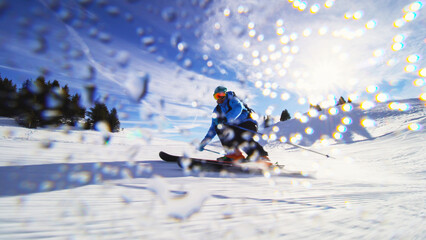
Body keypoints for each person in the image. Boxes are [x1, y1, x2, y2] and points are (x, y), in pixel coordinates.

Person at [198, 86, 269, 162]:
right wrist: (203, 143)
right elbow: (213, 128)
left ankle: (260, 155)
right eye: (217, 96)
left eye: (222, 95)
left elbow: (238, 108)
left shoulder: (232, 99)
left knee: (241, 135)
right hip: (235, 127)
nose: (220, 98)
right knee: (219, 128)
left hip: (248, 123)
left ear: (225, 94)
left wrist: (226, 119)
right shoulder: (217, 110)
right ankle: (234, 154)